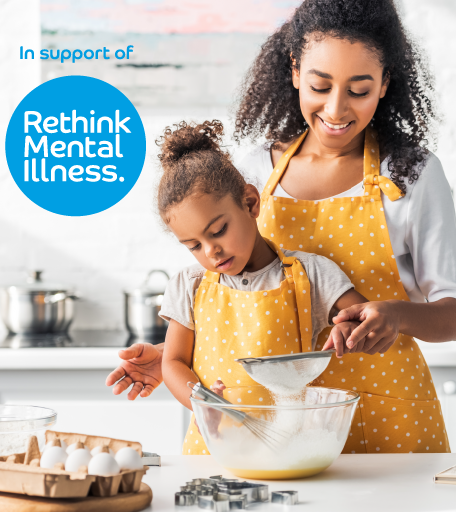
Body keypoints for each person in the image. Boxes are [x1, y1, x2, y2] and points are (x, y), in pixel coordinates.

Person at [107, 0, 456, 454]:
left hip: (385, 417)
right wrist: (176, 360)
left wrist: (396, 315)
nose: (336, 109)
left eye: (359, 90)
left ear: (385, 85)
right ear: (296, 71)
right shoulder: (256, 170)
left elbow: (455, 316)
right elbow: (235, 298)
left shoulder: (411, 173)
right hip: (271, 425)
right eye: (320, 85)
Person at [150, 120, 372, 454]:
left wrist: (351, 329)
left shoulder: (309, 273)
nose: (211, 252)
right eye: (193, 245)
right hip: (215, 446)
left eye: (218, 230)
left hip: (288, 446)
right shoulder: (188, 285)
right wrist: (204, 403)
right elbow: (173, 362)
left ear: (251, 203)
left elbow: (364, 318)